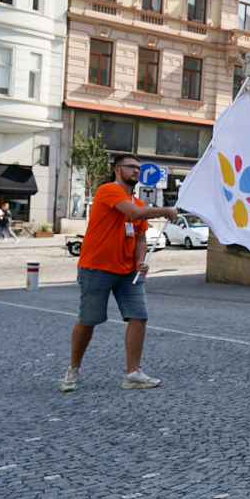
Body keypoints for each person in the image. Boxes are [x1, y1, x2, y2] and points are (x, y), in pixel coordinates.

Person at [60, 152, 180, 393]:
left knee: (139, 316)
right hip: (97, 267)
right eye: (131, 167)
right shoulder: (108, 190)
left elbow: (140, 238)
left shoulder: (140, 204)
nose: (136, 171)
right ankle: (73, 369)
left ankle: (132, 374)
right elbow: (134, 213)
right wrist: (166, 210)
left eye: (138, 168)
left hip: (128, 272)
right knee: (88, 320)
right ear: (117, 169)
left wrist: (140, 261)